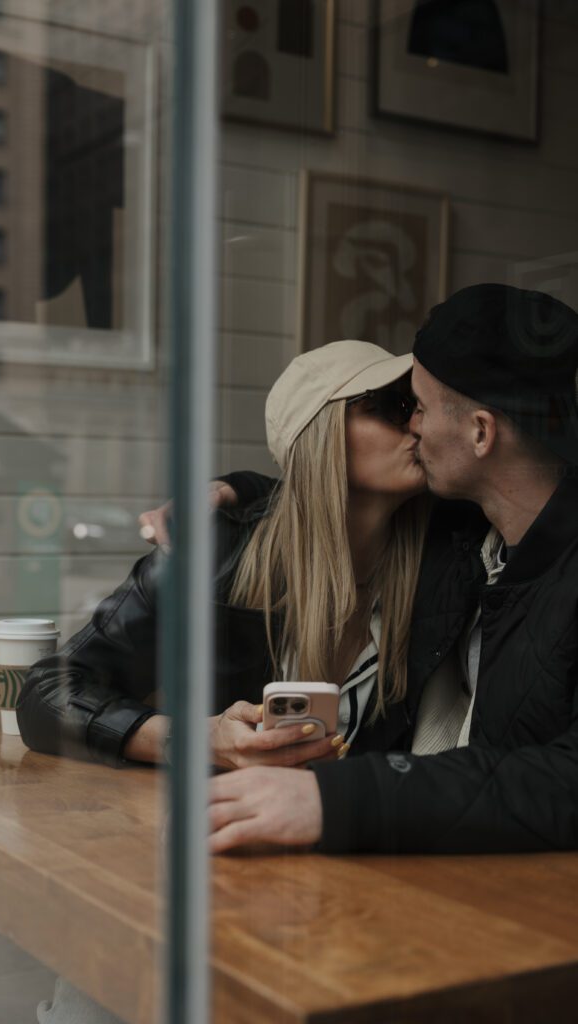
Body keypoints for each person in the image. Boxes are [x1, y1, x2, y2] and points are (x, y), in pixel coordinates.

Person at [183, 283, 578, 854]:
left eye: (416, 406)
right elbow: (328, 490)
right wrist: (236, 493)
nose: (410, 428)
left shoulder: (464, 546)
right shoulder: (474, 537)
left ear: (480, 432)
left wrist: (338, 798)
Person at [17, 340, 429, 770]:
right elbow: (45, 694)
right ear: (320, 434)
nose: (420, 425)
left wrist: (240, 485)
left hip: (371, 832)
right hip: (217, 825)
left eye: (421, 407)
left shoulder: (448, 560)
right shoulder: (216, 554)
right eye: (394, 406)